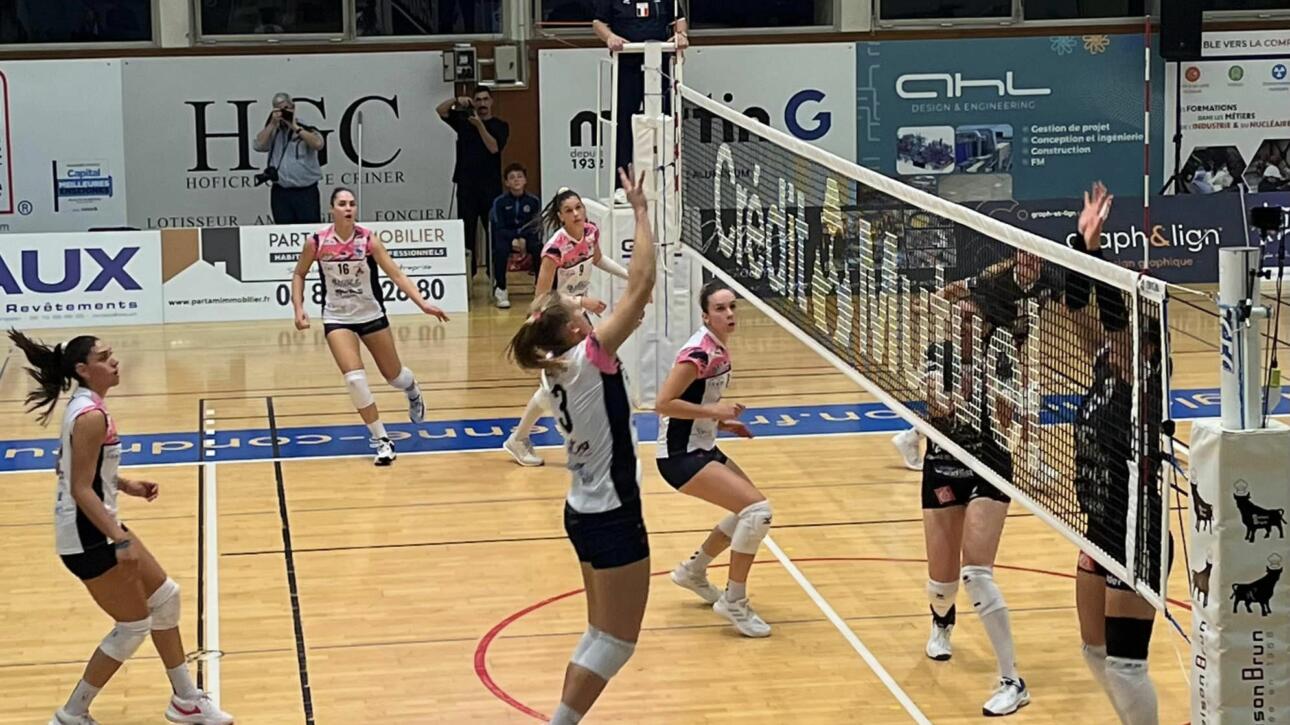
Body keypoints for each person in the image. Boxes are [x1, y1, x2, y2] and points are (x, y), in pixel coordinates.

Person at [7, 330, 234, 725]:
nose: (114, 362)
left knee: (166, 597)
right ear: (83, 369)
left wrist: (125, 484)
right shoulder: (90, 416)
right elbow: (79, 487)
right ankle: (71, 714)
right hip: (87, 536)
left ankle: (185, 700)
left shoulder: (88, 406)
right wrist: (120, 538)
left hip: (97, 525)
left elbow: (69, 466)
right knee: (133, 626)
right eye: (104, 357)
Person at [504, 167, 657, 725]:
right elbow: (642, 286)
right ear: (573, 332)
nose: (584, 310)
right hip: (612, 513)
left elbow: (623, 297)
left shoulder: (555, 371)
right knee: (616, 642)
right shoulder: (590, 359)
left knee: (597, 632)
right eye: (577, 312)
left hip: (582, 510)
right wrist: (640, 212)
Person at [1067, 182, 1167, 724]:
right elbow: (1080, 317)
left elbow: (1109, 318)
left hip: (1136, 531)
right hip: (1099, 528)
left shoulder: (1146, 379)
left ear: (1145, 346)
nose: (1109, 340)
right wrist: (1083, 250)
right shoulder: (1107, 367)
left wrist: (1098, 252)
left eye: (1124, 334)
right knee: (1094, 651)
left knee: (1127, 667)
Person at [915, 284, 1031, 716]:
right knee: (941, 586)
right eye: (958, 318)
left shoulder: (1001, 358)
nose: (963, 325)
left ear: (983, 325)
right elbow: (935, 406)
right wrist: (954, 396)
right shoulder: (937, 353)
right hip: (943, 467)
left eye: (970, 319)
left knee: (977, 573)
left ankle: (1011, 680)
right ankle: (942, 621)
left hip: (989, 467)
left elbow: (1006, 416)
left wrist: (996, 394)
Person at [291, 187, 449, 465]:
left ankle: (412, 389)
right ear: (332, 209)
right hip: (337, 317)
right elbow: (299, 274)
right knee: (354, 379)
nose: (348, 208)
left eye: (352, 204)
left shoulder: (368, 240)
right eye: (342, 204)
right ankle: (381, 440)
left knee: (394, 376)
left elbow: (396, 274)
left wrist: (423, 303)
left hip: (371, 314)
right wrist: (299, 307)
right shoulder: (316, 242)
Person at [655, 281, 773, 638]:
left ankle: (692, 571)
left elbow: (698, 402)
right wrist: (714, 411)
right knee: (757, 512)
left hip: (701, 445)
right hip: (679, 456)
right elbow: (663, 404)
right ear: (706, 316)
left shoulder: (719, 347)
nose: (729, 314)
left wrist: (722, 422)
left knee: (747, 510)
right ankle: (734, 601)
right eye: (720, 309)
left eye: (732, 306)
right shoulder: (698, 354)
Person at [502, 186, 630, 467]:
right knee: (559, 382)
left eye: (579, 208)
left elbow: (598, 259)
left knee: (592, 370)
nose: (576, 214)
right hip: (555, 319)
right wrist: (582, 301)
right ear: (560, 216)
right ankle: (521, 438)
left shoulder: (591, 232)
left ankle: (577, 433)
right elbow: (542, 299)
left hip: (576, 316)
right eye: (569, 210)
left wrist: (628, 275)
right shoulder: (554, 249)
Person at [593, 0, 688, 195]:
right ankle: (622, 186)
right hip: (627, 64)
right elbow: (598, 23)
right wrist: (610, 37)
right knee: (624, 125)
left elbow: (679, 19)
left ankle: (667, 185)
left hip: (660, 64)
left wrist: (681, 34)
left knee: (666, 123)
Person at [437, 86, 509, 270]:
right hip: (466, 186)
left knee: (493, 232)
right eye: (478, 100)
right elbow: (441, 110)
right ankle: (469, 274)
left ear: (491, 102)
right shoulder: (463, 121)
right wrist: (456, 100)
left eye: (485, 99)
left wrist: (479, 126)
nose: (482, 103)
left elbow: (493, 148)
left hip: (490, 187)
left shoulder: (500, 125)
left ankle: (495, 275)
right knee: (466, 232)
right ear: (474, 103)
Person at [253, 92, 325, 224]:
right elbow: (258, 145)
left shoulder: (305, 126)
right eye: (279, 109)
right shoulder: (274, 130)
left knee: (309, 231)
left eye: (286, 108)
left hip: (306, 192)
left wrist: (296, 128)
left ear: (293, 107)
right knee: (283, 229)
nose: (283, 112)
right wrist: (272, 124)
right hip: (281, 192)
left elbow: (318, 144)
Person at [489, 162, 543, 309]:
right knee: (500, 250)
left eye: (519, 176)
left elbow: (535, 225)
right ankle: (501, 288)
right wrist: (514, 238)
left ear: (525, 180)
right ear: (507, 182)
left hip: (528, 236)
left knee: (540, 248)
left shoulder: (533, 201)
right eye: (512, 177)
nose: (516, 180)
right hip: (506, 237)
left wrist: (523, 238)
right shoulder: (499, 202)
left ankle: (540, 288)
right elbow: (498, 226)